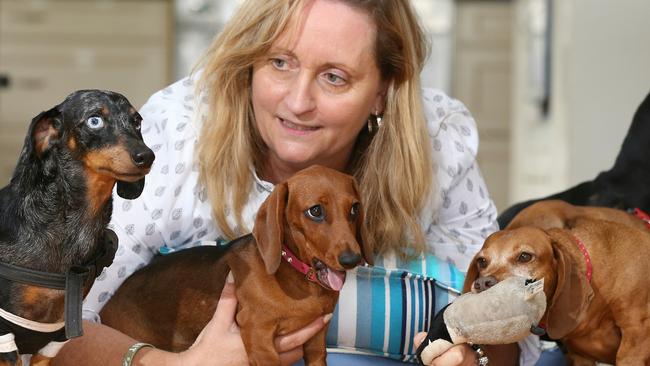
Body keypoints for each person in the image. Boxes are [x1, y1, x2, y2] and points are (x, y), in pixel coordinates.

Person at [52, 0, 540, 365]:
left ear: (383, 91)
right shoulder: (176, 136)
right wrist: (164, 363)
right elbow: (50, 323)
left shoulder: (437, 142)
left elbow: (512, 325)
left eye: (334, 77)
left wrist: (472, 355)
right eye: (279, 63)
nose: (297, 102)